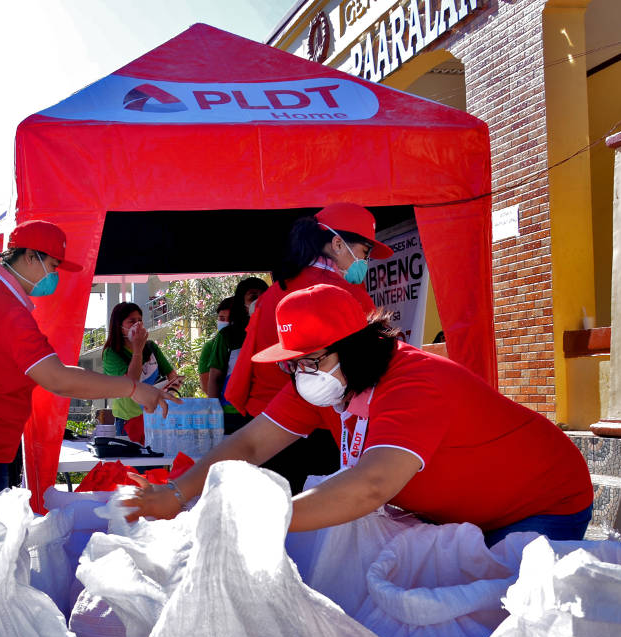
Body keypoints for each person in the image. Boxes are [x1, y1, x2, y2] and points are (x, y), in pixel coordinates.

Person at [125, 284, 595, 546]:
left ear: (358, 346)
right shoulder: (320, 383)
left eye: (311, 360)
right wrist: (177, 491)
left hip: (541, 505)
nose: (301, 374)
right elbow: (249, 444)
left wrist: (256, 519)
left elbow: (369, 486)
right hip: (457, 515)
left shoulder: (416, 382)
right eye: (292, 362)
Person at [0, 220, 175, 493]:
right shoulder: (5, 307)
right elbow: (58, 379)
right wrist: (133, 388)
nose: (55, 276)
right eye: (53, 266)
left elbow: (57, 372)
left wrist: (132, 388)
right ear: (30, 257)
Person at [224, 202, 392, 493]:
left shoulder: (276, 291)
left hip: (265, 427)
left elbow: (246, 369)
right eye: (364, 253)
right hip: (321, 430)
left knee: (272, 524)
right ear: (338, 244)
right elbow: (373, 366)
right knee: (322, 530)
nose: (365, 263)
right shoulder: (348, 295)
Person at [198, 277, 269, 433]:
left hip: (267, 412)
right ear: (242, 303)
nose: (260, 301)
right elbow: (215, 377)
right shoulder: (227, 336)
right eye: (253, 297)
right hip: (232, 414)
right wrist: (213, 414)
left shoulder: (275, 332)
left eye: (265, 295)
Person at [101, 302, 178, 444]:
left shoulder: (151, 347)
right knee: (135, 465)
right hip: (129, 421)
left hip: (155, 418)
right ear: (119, 326)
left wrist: (169, 393)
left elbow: (172, 375)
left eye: (140, 321)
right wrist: (137, 350)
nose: (137, 325)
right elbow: (131, 383)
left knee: (155, 464)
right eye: (131, 321)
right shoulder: (111, 353)